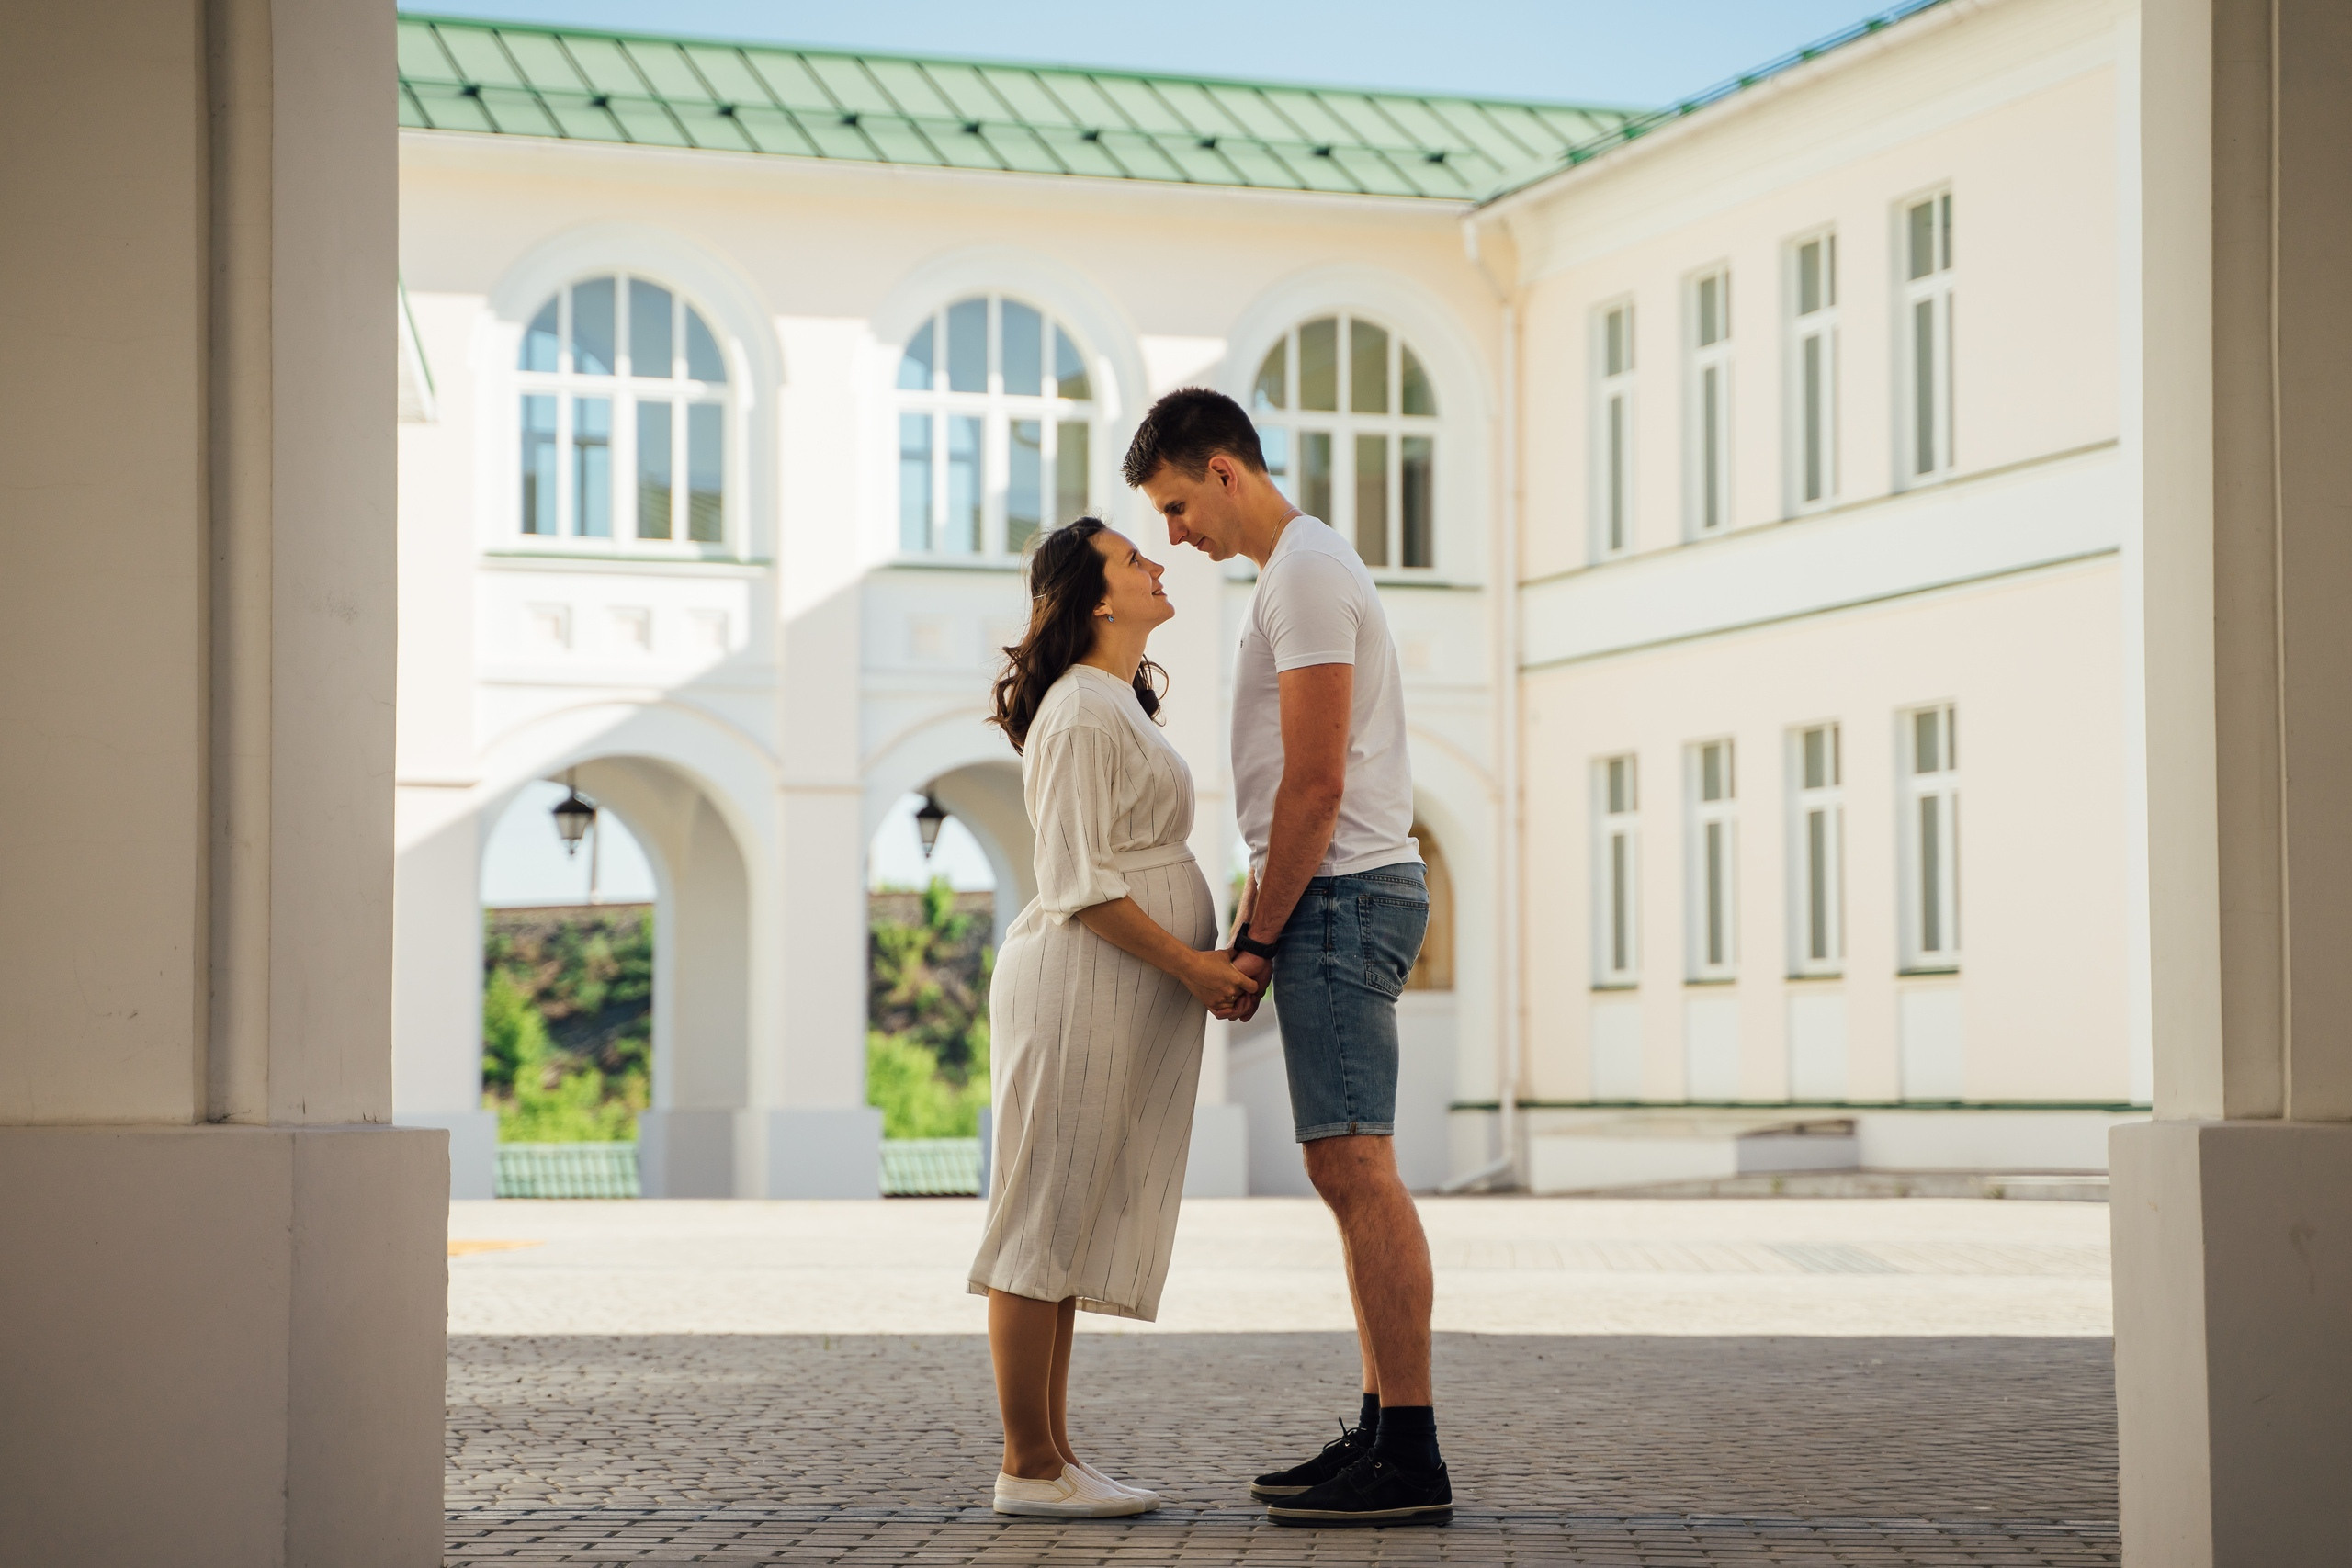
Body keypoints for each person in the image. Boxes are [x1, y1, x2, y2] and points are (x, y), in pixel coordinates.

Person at [1125, 388, 1451, 1528]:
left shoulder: (1305, 574)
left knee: (1357, 1168)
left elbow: (1316, 784)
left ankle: (1407, 1451)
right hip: (1338, 892)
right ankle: (1379, 1424)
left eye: (1174, 505)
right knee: (1341, 1168)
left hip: (1344, 897)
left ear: (1223, 471)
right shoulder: (1295, 573)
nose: (1174, 534)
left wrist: (1257, 936)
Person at [966, 516, 1260, 1519]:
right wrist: (1192, 966)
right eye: (1136, 559)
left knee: (1069, 1211)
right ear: (1093, 596)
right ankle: (1027, 1465)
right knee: (1042, 1212)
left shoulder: (1113, 703)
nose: (1157, 562)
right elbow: (1079, 884)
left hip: (1112, 986)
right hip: (1079, 978)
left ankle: (1052, 1454)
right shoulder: (1080, 713)